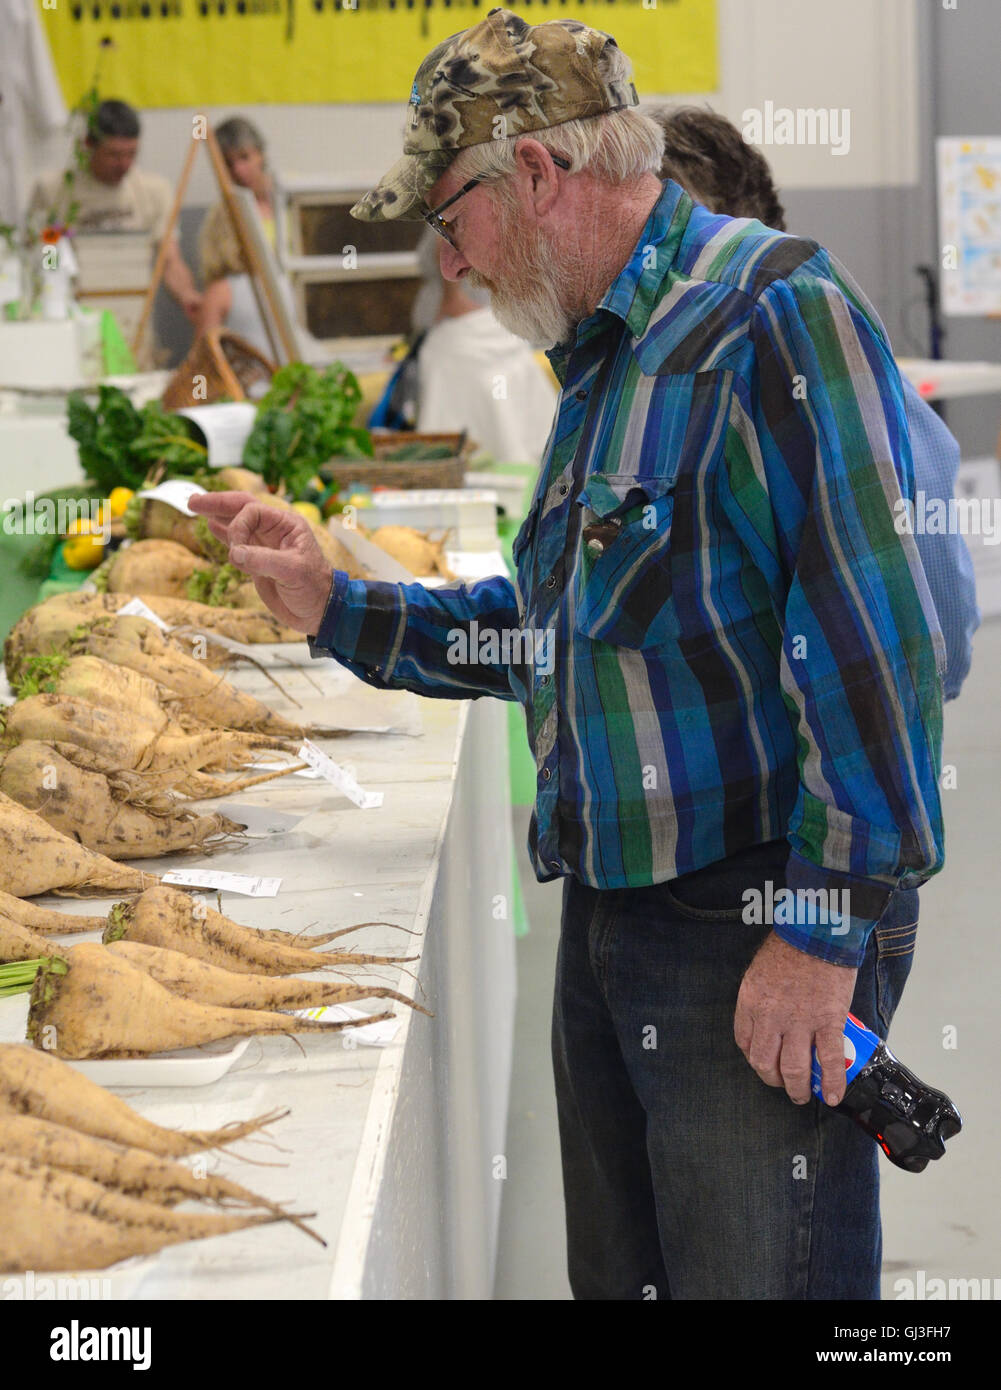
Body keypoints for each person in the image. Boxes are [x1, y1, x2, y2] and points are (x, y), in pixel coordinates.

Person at [190, 9, 946, 1300]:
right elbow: (555, 637)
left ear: (535, 173)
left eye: (450, 218)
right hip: (611, 923)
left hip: (746, 941)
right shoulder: (599, 358)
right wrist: (330, 602)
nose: (452, 259)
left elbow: (881, 653)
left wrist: (821, 941)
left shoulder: (769, 317)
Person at [651, 104, 980, 699]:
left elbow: (939, 650)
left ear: (742, 228)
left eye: (679, 232)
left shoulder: (852, 386)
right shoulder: (667, 385)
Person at [26, 99, 201, 323]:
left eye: (131, 154)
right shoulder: (54, 192)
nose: (124, 164)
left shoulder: (154, 192)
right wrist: (53, 289)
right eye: (114, 154)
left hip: (133, 316)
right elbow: (46, 257)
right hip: (74, 317)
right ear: (89, 145)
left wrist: (186, 295)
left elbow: (169, 261)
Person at [197, 116, 285, 356]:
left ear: (261, 154)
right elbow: (216, 274)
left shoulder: (287, 204)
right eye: (229, 163)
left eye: (245, 157)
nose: (238, 170)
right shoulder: (222, 217)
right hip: (247, 317)